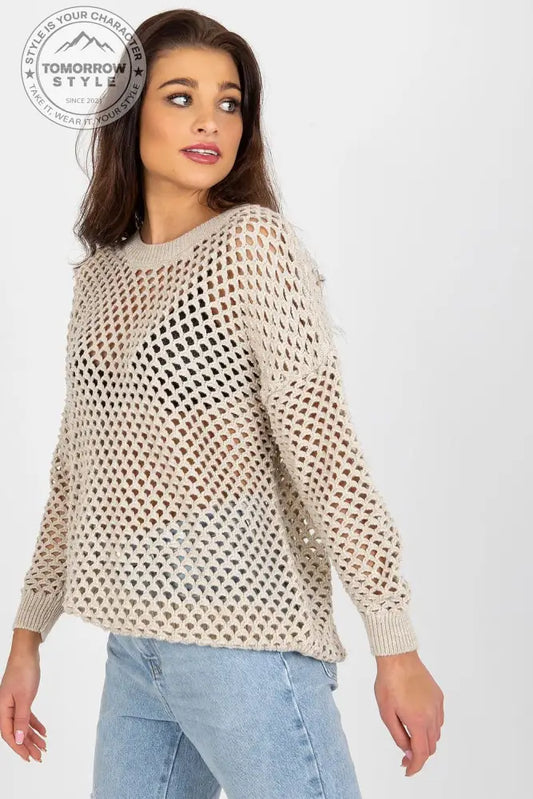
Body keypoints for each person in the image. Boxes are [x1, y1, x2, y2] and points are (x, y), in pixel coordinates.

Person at [0, 9, 444, 798]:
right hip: (134, 645)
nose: (210, 120)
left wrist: (395, 643)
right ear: (126, 115)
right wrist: (28, 634)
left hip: (245, 640)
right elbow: (76, 468)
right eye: (180, 97)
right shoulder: (99, 277)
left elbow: (326, 457)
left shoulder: (250, 246)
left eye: (229, 102)